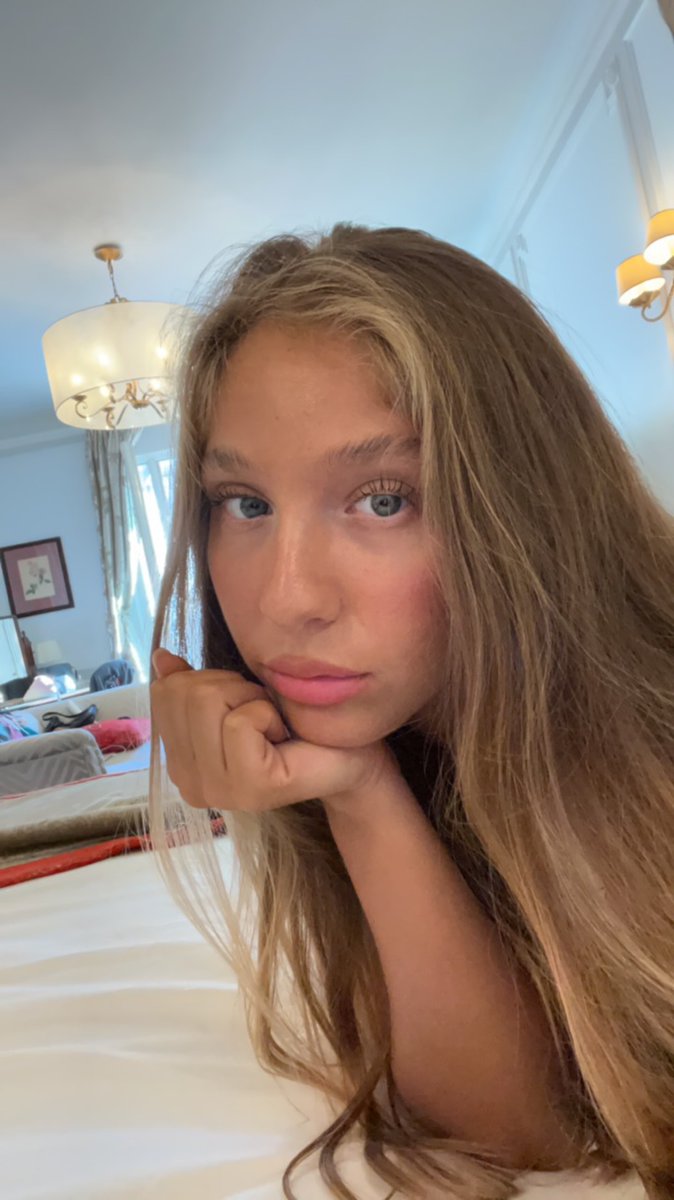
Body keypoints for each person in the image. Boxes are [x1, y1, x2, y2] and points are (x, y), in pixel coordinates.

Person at [148, 224, 674, 1200]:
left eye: (383, 500)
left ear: (526, 505)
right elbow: (515, 1128)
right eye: (244, 503)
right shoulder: (392, 741)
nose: (286, 599)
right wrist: (357, 790)